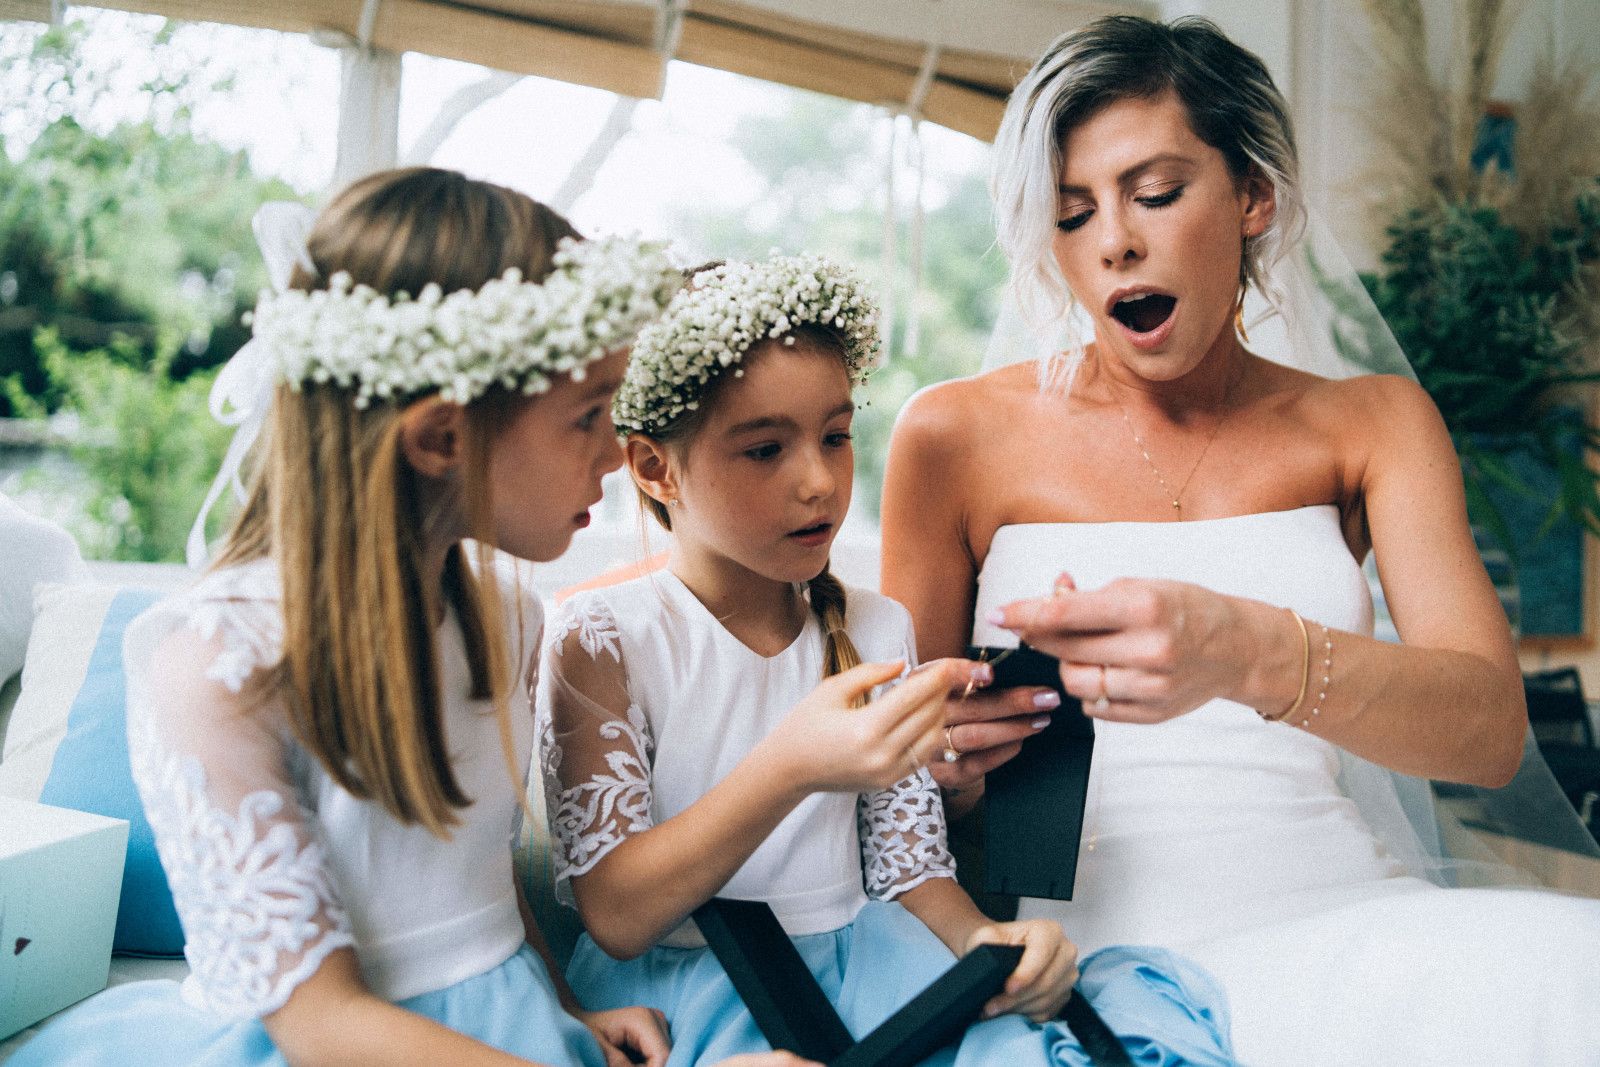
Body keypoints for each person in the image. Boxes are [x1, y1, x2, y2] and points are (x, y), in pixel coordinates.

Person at [881, 15, 1600, 1065]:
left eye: (1155, 193)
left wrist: (1243, 649)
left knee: (1574, 965)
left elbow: (1488, 735)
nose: (1114, 242)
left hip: (1350, 919)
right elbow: (892, 790)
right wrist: (951, 769)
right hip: (1094, 964)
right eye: (1072, 213)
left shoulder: (1373, 422)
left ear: (1253, 195)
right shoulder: (950, 436)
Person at [9, 167, 808, 1067]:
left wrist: (567, 1010)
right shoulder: (217, 664)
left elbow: (479, 887)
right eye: (588, 416)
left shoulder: (509, 621)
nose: (617, 455)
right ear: (440, 437)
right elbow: (321, 1024)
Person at [539, 255, 1238, 1066]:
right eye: (764, 450)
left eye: (836, 437)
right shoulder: (603, 637)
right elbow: (618, 915)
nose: (818, 481)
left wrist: (987, 942)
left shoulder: (875, 627)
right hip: (694, 993)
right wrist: (792, 765)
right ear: (655, 468)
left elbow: (911, 870)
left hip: (878, 973)